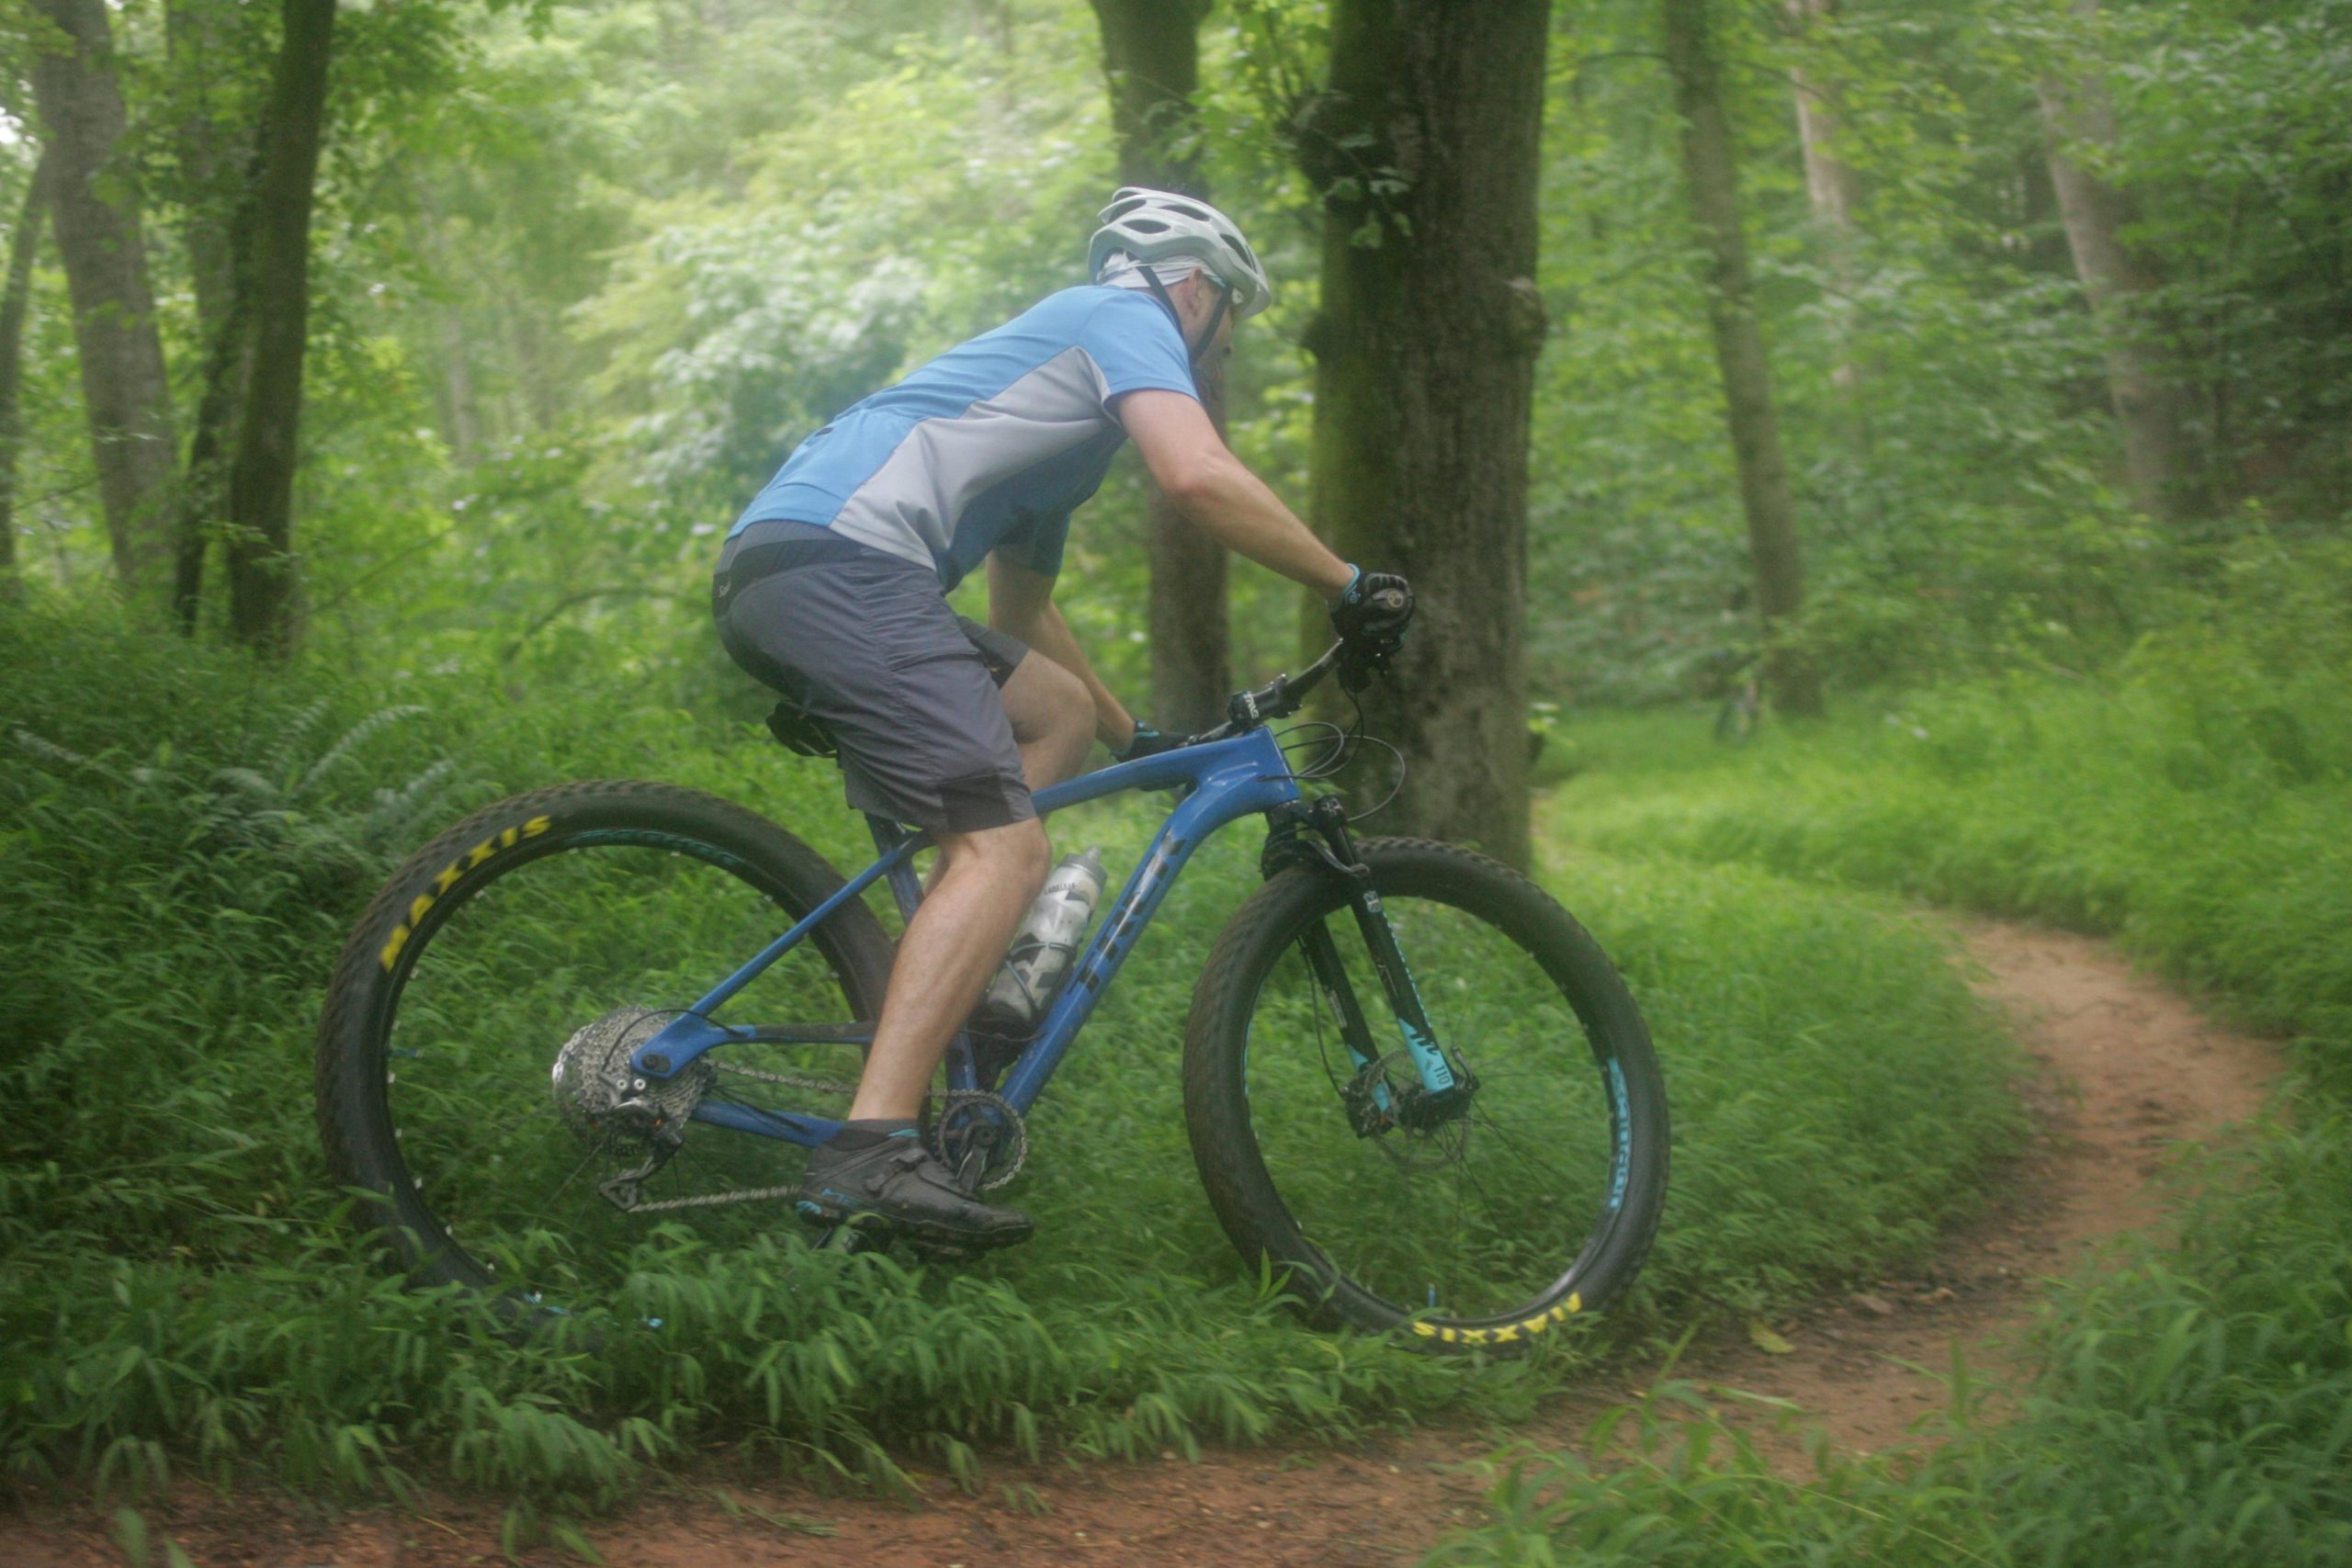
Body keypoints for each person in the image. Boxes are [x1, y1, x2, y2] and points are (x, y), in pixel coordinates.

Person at [711, 187, 1413, 1248]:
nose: (1221, 353)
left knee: (1056, 713)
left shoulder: (1064, 432)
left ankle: (970, 965)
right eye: (1230, 323)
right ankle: (868, 1151)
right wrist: (1347, 581)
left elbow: (1020, 614)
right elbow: (1198, 474)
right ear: (1194, 291)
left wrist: (1137, 739)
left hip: (808, 569)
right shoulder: (1119, 318)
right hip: (841, 567)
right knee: (1001, 849)